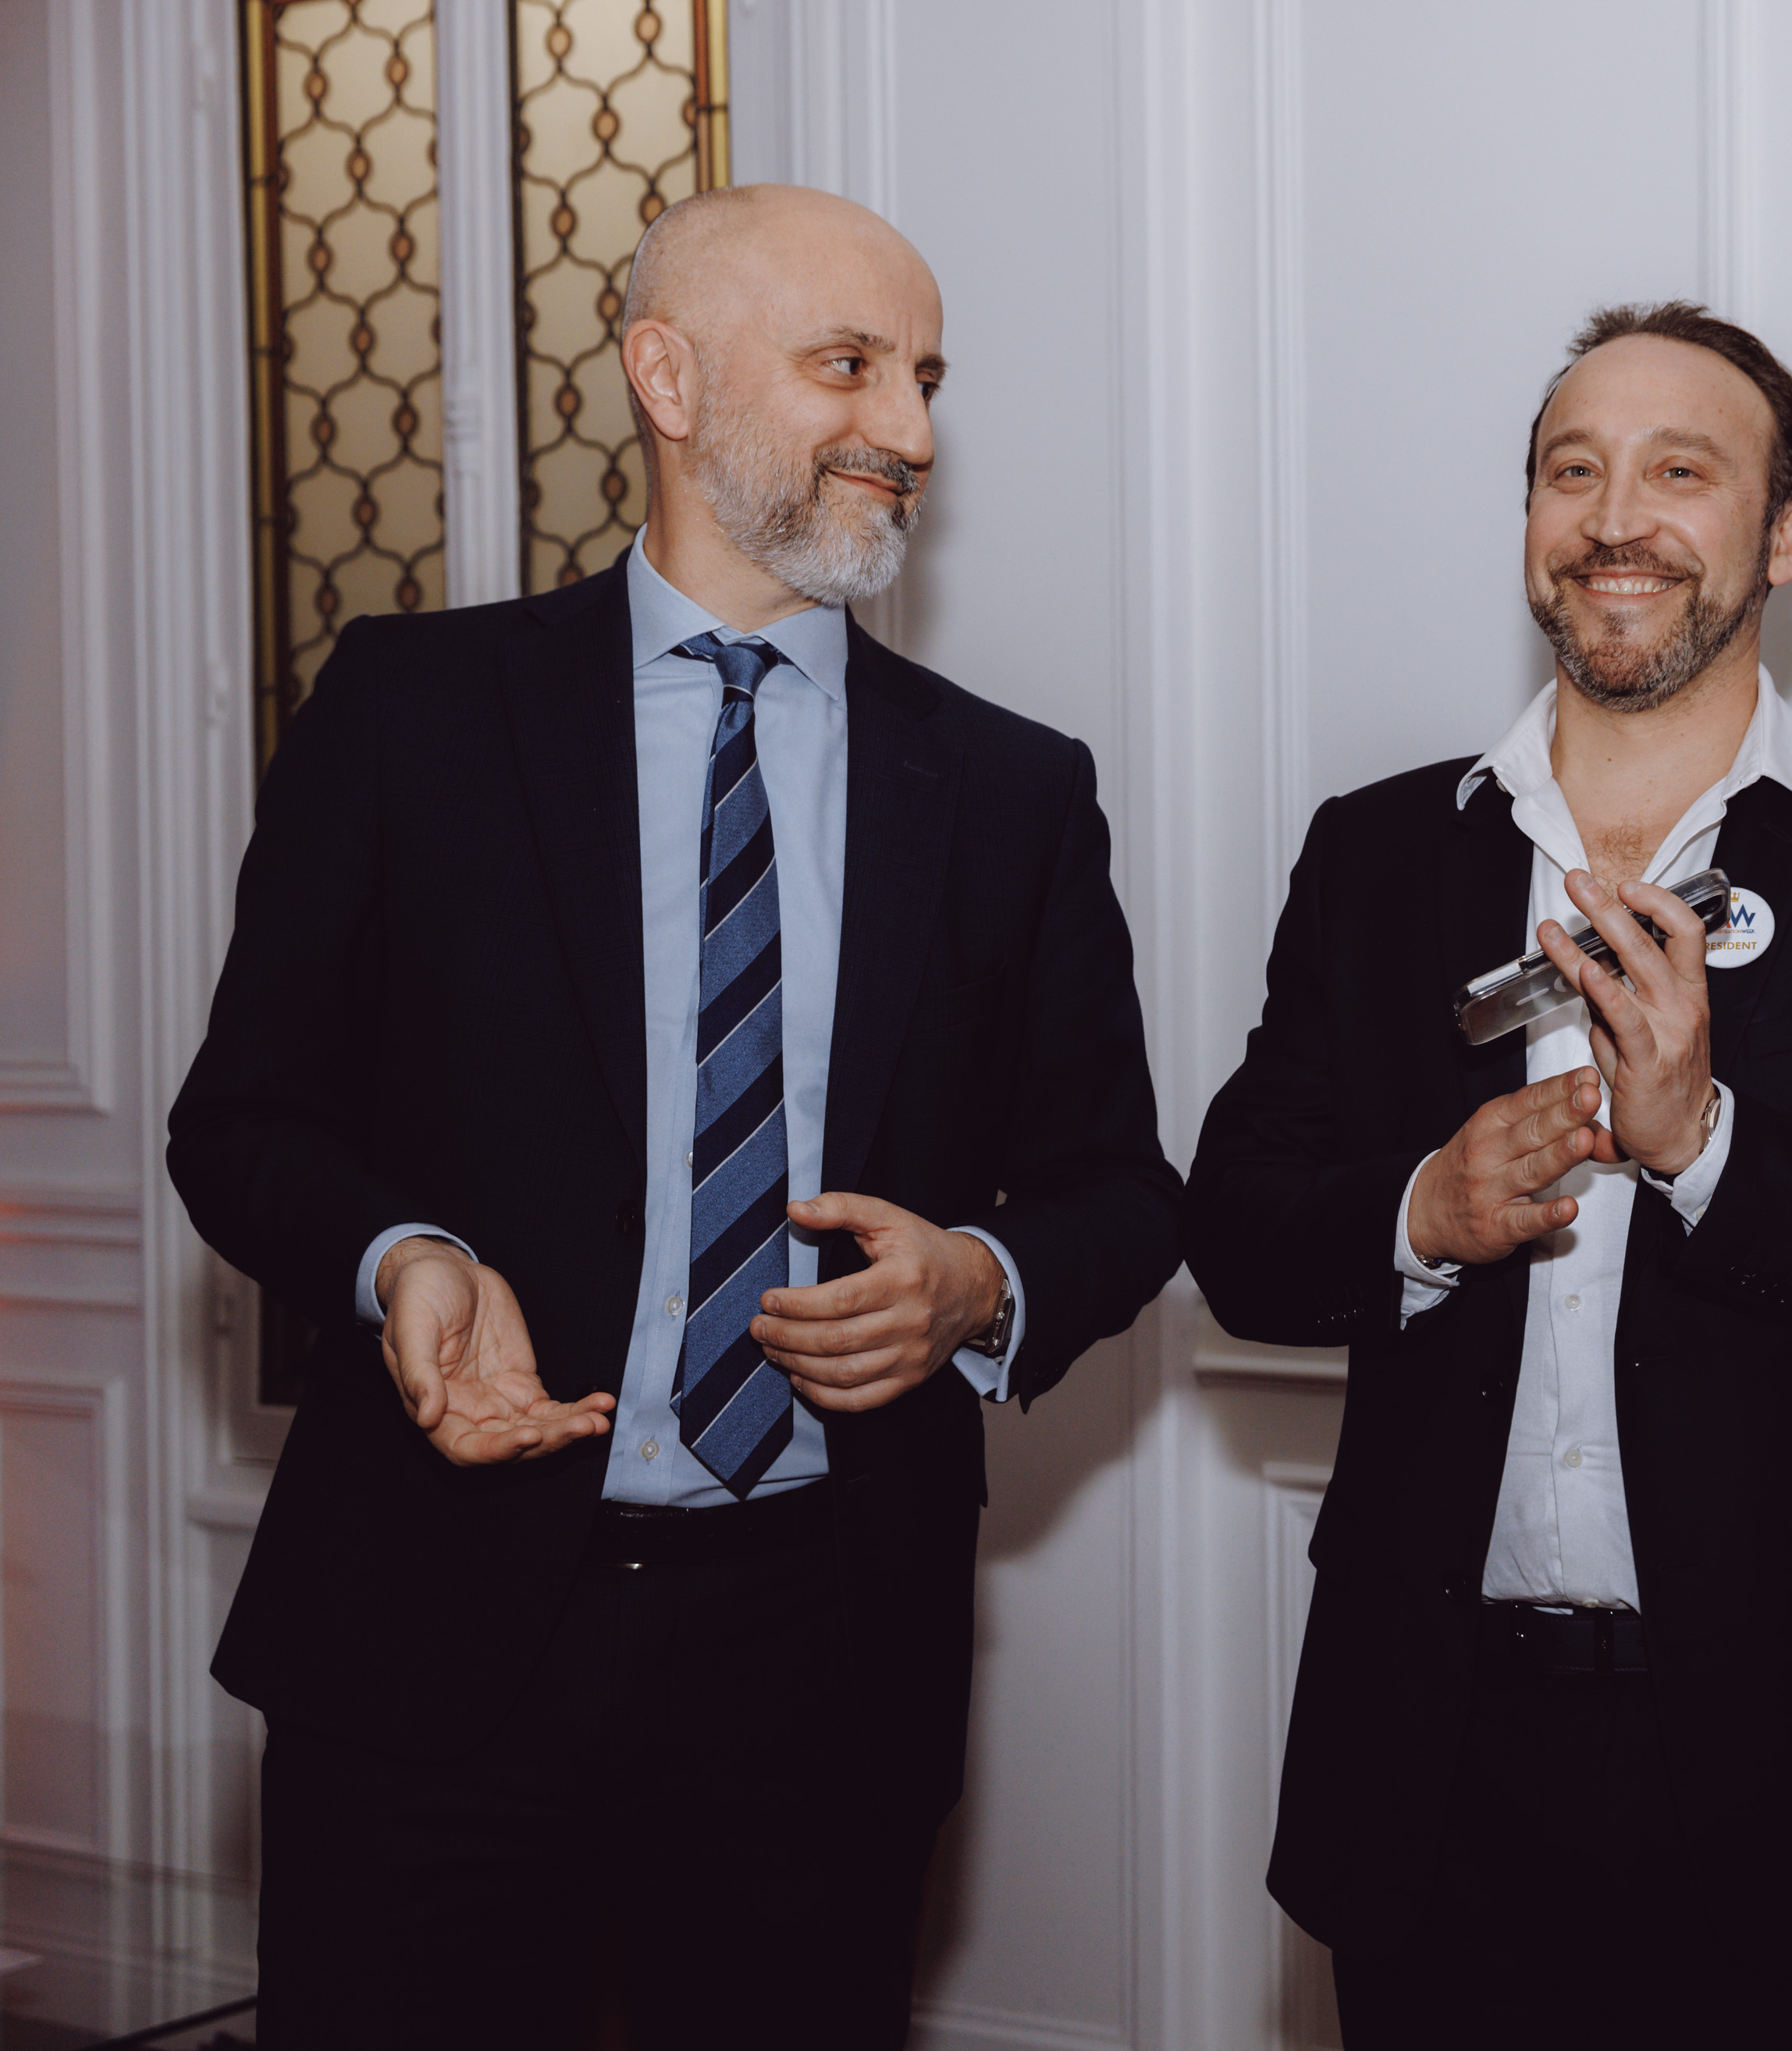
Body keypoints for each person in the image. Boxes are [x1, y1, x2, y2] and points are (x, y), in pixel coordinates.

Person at [168, 184, 1182, 2050]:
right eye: (847, 365)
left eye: (927, 378)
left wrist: (975, 1281)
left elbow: (1120, 1191)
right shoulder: (412, 710)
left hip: (820, 1665)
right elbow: (242, 1120)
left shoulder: (1010, 790)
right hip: (430, 1645)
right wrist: (403, 1257)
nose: (909, 429)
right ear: (667, 376)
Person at [1185, 303, 1792, 2047]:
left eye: (1679, 472)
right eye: (1570, 472)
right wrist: (1422, 1211)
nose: (1614, 519)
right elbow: (1238, 1236)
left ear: (1781, 537)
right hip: (1432, 1764)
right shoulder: (1374, 851)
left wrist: (1700, 1143)